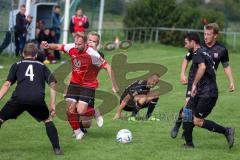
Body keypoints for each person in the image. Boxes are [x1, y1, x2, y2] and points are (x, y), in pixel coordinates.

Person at [40, 32, 119, 140]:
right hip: (74, 84)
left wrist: (114, 85)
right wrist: (48, 45)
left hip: (88, 85)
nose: (76, 46)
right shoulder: (72, 47)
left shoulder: (93, 54)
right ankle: (78, 132)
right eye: (75, 43)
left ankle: (94, 112)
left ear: (86, 44)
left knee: (81, 112)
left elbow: (108, 67)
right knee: (69, 110)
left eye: (79, 44)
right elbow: (58, 46)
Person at [170, 23, 235, 138]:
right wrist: (182, 74)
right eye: (204, 34)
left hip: (206, 84)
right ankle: (178, 124)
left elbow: (226, 66)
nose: (205, 37)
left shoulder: (222, 50)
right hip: (194, 80)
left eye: (208, 34)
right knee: (187, 105)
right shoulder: (198, 46)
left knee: (193, 111)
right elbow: (186, 59)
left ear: (215, 35)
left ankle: (187, 132)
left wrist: (231, 81)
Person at [0, 43, 63, 155]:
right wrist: (53, 104)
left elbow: (7, 84)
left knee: (1, 119)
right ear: (36, 55)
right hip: (36, 99)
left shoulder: (17, 64)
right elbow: (53, 84)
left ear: (23, 54)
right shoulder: (42, 66)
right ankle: (57, 149)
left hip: (19, 98)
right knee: (48, 120)